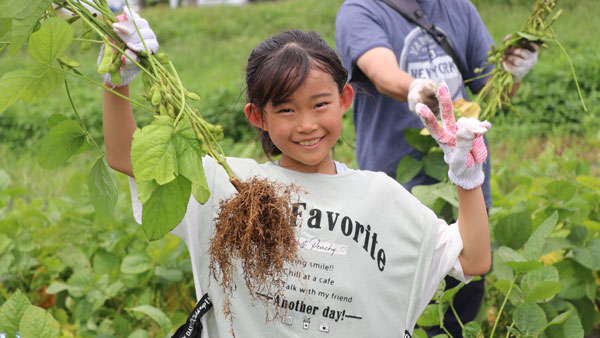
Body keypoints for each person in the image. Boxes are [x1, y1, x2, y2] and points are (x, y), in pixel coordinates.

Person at [101, 10, 491, 337]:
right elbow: (124, 156)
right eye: (286, 110)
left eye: (320, 104)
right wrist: (117, 77)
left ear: (344, 101)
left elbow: (473, 260)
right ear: (258, 116)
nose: (306, 124)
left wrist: (468, 180)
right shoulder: (227, 186)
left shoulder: (381, 197)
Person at [334, 0, 538, 336]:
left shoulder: (458, 7)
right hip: (398, 192)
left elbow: (490, 91)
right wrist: (413, 88)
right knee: (399, 310)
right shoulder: (361, 9)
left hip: (466, 185)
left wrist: (512, 73)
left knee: (463, 305)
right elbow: (383, 75)